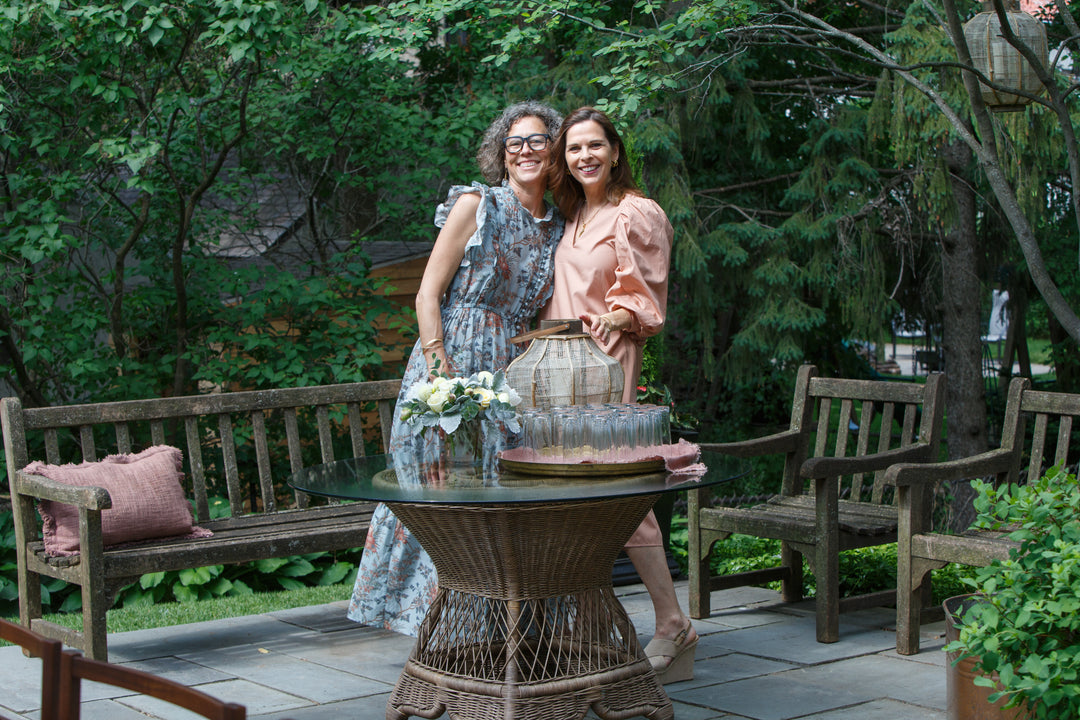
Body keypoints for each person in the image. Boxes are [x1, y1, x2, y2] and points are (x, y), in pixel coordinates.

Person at [348, 101, 564, 636]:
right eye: (515, 142)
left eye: (538, 140)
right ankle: (431, 630)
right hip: (452, 360)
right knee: (439, 490)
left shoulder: (559, 224)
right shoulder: (478, 203)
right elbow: (427, 293)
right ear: (501, 153)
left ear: (554, 149)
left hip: (508, 374)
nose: (526, 150)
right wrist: (441, 371)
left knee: (497, 491)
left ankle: (487, 628)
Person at [540, 106, 694, 684]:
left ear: (615, 151)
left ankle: (673, 623)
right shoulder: (574, 211)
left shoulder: (636, 212)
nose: (585, 157)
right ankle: (581, 630)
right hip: (556, 371)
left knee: (619, 493)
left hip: (606, 363)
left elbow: (648, 297)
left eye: (594, 146)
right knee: (569, 499)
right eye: (574, 148)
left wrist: (620, 312)